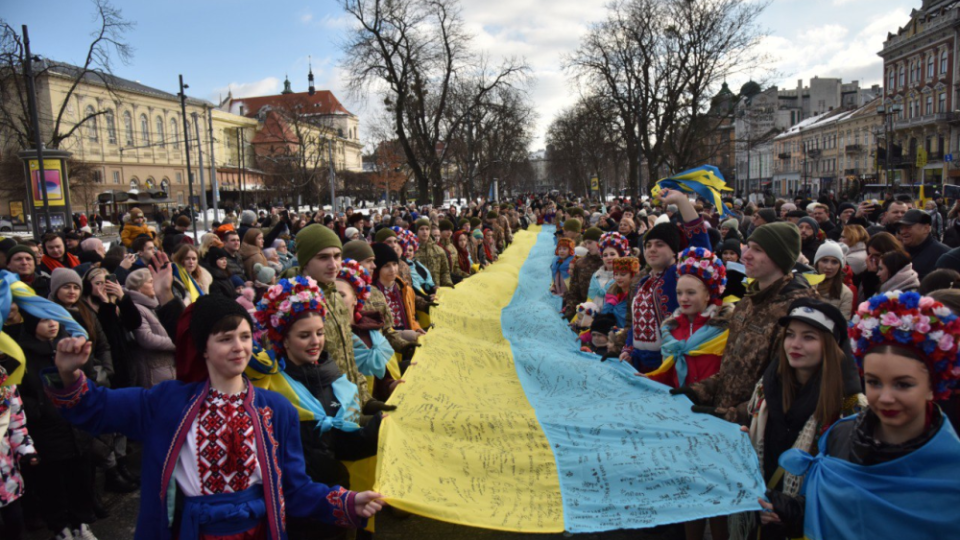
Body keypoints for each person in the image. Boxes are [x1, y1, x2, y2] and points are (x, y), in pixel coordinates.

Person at [44, 294, 385, 539]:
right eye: (225, 339)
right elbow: (94, 408)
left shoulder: (275, 408)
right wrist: (71, 375)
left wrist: (347, 501)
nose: (239, 347)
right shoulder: (167, 402)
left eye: (245, 336)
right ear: (203, 347)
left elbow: (293, 488)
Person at [761, 292, 960, 539]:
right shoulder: (841, 435)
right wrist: (789, 512)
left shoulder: (951, 466)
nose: (885, 397)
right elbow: (834, 505)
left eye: (903, 385)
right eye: (874, 382)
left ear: (933, 386)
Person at [734, 298, 865, 540]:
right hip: (763, 514)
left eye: (809, 337)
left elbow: (847, 483)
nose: (794, 344)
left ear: (830, 344)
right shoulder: (768, 385)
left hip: (809, 525)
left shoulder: (849, 406)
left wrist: (792, 511)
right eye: (790, 334)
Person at [677, 222, 816, 423]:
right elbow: (731, 370)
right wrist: (698, 391)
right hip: (725, 421)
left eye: (757, 250)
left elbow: (787, 387)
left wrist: (734, 415)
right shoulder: (746, 303)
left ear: (779, 256)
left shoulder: (795, 312)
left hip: (758, 430)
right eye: (748, 246)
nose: (746, 255)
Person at [291, 225, 392, 414]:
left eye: (337, 256)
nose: (333, 264)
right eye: (323, 257)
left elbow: (349, 356)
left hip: (350, 404)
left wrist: (365, 400)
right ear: (305, 261)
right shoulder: (294, 302)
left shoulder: (336, 296)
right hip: (324, 411)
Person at [618, 189, 710, 372]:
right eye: (648, 245)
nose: (652, 249)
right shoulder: (642, 282)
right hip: (639, 363)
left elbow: (702, 247)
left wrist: (682, 202)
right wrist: (628, 349)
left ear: (674, 250)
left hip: (670, 365)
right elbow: (635, 323)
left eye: (660, 245)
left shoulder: (678, 276)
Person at [646, 248, 729, 393]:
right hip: (680, 409)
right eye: (679, 293)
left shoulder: (724, 330)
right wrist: (645, 380)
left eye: (691, 293)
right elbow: (668, 375)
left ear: (708, 295)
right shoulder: (670, 330)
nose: (683, 299)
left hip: (711, 408)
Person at [124, 266, 178, 388]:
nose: (155, 284)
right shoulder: (136, 308)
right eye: (150, 281)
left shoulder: (154, 305)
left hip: (166, 367)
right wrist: (176, 342)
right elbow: (146, 338)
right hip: (153, 369)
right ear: (138, 287)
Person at [897, 208, 949, 281]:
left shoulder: (943, 255)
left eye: (908, 227)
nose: (903, 232)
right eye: (901, 228)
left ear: (926, 228)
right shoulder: (898, 252)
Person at [563, 227, 604, 319]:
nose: (587, 246)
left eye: (590, 242)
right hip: (584, 312)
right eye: (585, 243)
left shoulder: (608, 263)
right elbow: (574, 290)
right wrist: (571, 310)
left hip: (604, 314)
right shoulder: (581, 263)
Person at [813, 242, 854, 319]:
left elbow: (842, 325)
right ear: (817, 262)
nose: (829, 266)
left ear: (840, 266)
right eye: (824, 260)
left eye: (834, 262)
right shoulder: (804, 284)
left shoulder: (846, 293)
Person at [590, 232, 628, 310]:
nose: (608, 258)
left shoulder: (626, 276)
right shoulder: (596, 276)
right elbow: (590, 300)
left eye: (612, 254)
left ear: (620, 256)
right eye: (605, 255)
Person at [413, 218, 454, 288]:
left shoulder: (439, 250)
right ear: (417, 231)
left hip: (437, 291)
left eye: (427, 229)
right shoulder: (412, 250)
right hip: (420, 292)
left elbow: (445, 272)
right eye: (421, 229)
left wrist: (448, 285)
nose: (425, 232)